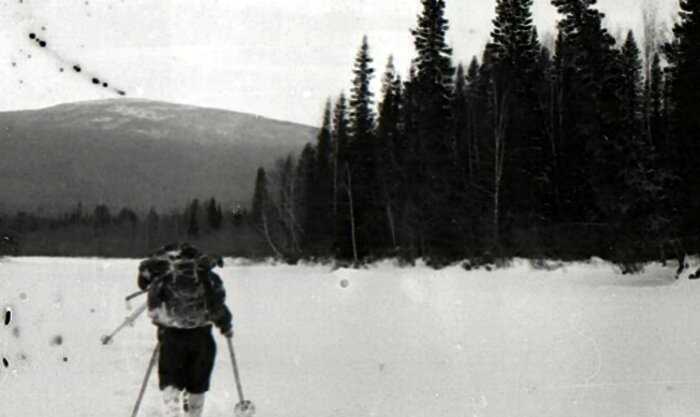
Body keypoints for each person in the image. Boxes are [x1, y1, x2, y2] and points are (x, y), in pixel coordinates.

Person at [137, 242, 233, 417]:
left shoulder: (164, 278)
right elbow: (217, 307)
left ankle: (172, 410)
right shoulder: (209, 278)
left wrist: (161, 325)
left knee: (170, 378)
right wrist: (226, 326)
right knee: (198, 381)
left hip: (172, 336)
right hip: (202, 337)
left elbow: (153, 307)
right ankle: (194, 412)